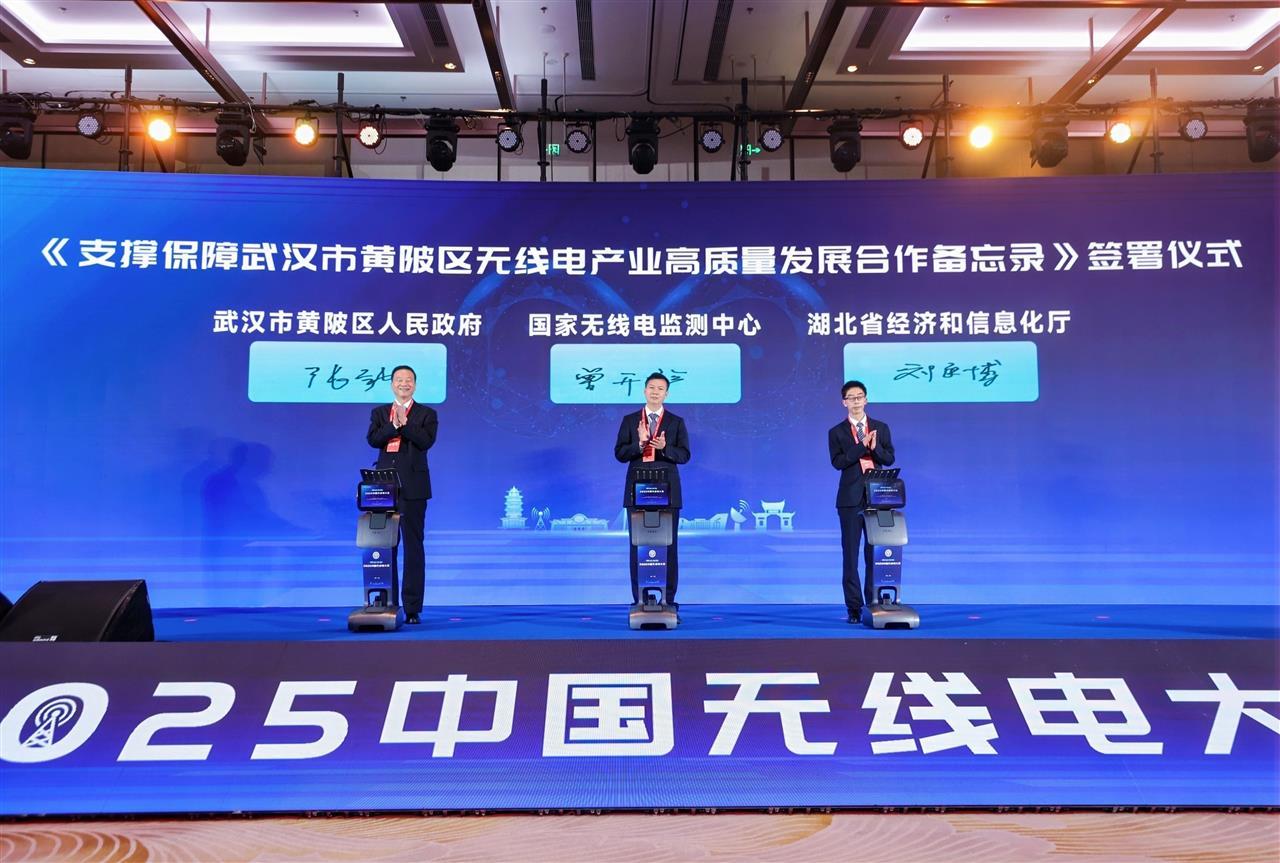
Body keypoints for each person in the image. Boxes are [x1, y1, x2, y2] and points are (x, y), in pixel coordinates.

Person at [366, 365, 438, 624]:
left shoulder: (427, 414)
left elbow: (426, 441)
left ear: (415, 385)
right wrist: (393, 425)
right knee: (385, 547)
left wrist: (405, 425)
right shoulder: (379, 413)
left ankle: (412, 607)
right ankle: (388, 603)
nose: (404, 383)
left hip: (414, 488)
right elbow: (373, 440)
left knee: (413, 547)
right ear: (392, 384)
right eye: (399, 379)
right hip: (384, 489)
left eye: (408, 380)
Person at [614, 372, 691, 606]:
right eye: (651, 387)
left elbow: (684, 455)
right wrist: (639, 444)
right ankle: (640, 600)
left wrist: (665, 448)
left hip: (667, 492)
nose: (655, 392)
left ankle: (668, 601)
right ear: (644, 391)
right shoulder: (630, 420)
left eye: (660, 389)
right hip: (638, 491)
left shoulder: (676, 422)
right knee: (637, 546)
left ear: (666, 394)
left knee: (669, 547)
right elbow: (620, 454)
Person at [828, 379, 895, 624]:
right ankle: (854, 608)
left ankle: (873, 602)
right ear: (844, 402)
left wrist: (874, 448)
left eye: (859, 397)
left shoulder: (881, 427)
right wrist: (861, 446)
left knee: (875, 554)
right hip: (850, 501)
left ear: (866, 399)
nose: (856, 401)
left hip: (878, 497)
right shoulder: (836, 432)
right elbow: (838, 462)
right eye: (851, 398)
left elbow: (889, 459)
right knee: (850, 556)